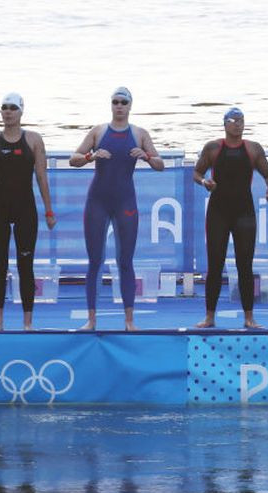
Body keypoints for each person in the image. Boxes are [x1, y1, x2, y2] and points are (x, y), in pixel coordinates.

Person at [69, 86, 165, 331]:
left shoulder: (140, 133)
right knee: (95, 261)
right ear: (111, 105)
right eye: (115, 102)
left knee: (125, 261)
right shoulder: (98, 132)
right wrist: (91, 156)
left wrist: (145, 156)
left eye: (123, 102)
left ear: (130, 106)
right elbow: (74, 159)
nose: (119, 106)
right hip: (97, 202)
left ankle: (129, 321)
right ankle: (91, 320)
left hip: (125, 202)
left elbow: (160, 165)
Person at [0, 93, 55, 331]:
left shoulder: (34, 140)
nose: (8, 112)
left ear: (21, 112)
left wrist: (49, 211)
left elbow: (41, 177)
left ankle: (28, 323)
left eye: (12, 108)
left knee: (25, 265)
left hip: (26, 209)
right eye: (4, 108)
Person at [193, 107, 268, 329]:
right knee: (215, 264)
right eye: (233, 120)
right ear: (225, 124)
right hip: (218, 212)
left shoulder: (253, 149)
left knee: (245, 265)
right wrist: (205, 183)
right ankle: (210, 317)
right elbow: (196, 173)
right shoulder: (212, 148)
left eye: (241, 120)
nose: (238, 124)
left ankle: (249, 318)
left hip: (244, 212)